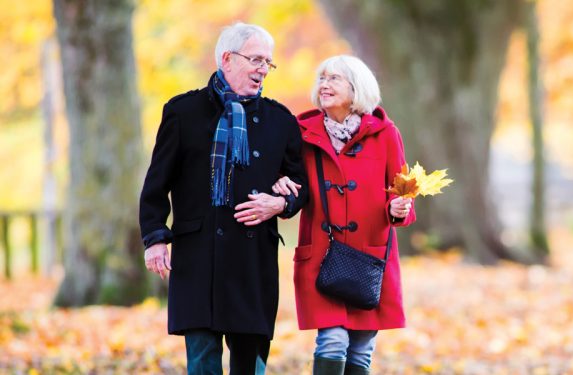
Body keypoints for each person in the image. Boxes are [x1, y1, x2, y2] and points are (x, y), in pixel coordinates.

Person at [139, 23, 308, 374]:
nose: (263, 69)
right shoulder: (182, 112)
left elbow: (300, 184)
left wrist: (280, 203)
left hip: (252, 260)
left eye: (268, 63)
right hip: (198, 256)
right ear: (227, 59)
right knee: (202, 359)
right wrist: (155, 238)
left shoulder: (281, 121)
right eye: (256, 59)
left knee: (250, 363)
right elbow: (157, 183)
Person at [272, 55, 416, 375]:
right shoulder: (302, 132)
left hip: (370, 257)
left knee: (361, 348)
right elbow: (286, 176)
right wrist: (280, 183)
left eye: (334, 78)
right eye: (321, 78)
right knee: (333, 340)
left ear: (357, 87)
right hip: (322, 256)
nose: (324, 84)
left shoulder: (386, 133)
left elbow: (402, 192)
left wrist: (397, 208)